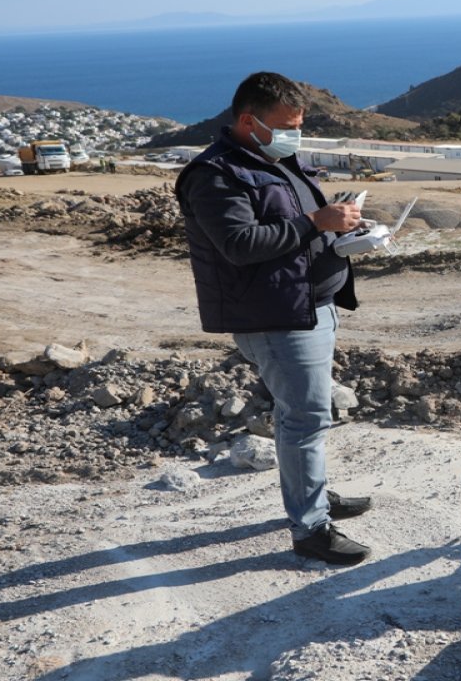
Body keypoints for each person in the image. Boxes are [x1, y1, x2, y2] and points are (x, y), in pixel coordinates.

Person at [175, 71, 372, 565]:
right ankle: (310, 529)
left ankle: (316, 497)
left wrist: (345, 232)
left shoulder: (276, 160)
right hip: (277, 315)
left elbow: (299, 228)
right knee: (304, 418)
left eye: (299, 125)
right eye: (286, 125)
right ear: (249, 121)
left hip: (308, 304)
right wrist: (315, 223)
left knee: (308, 414)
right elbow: (240, 246)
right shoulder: (216, 175)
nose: (295, 135)